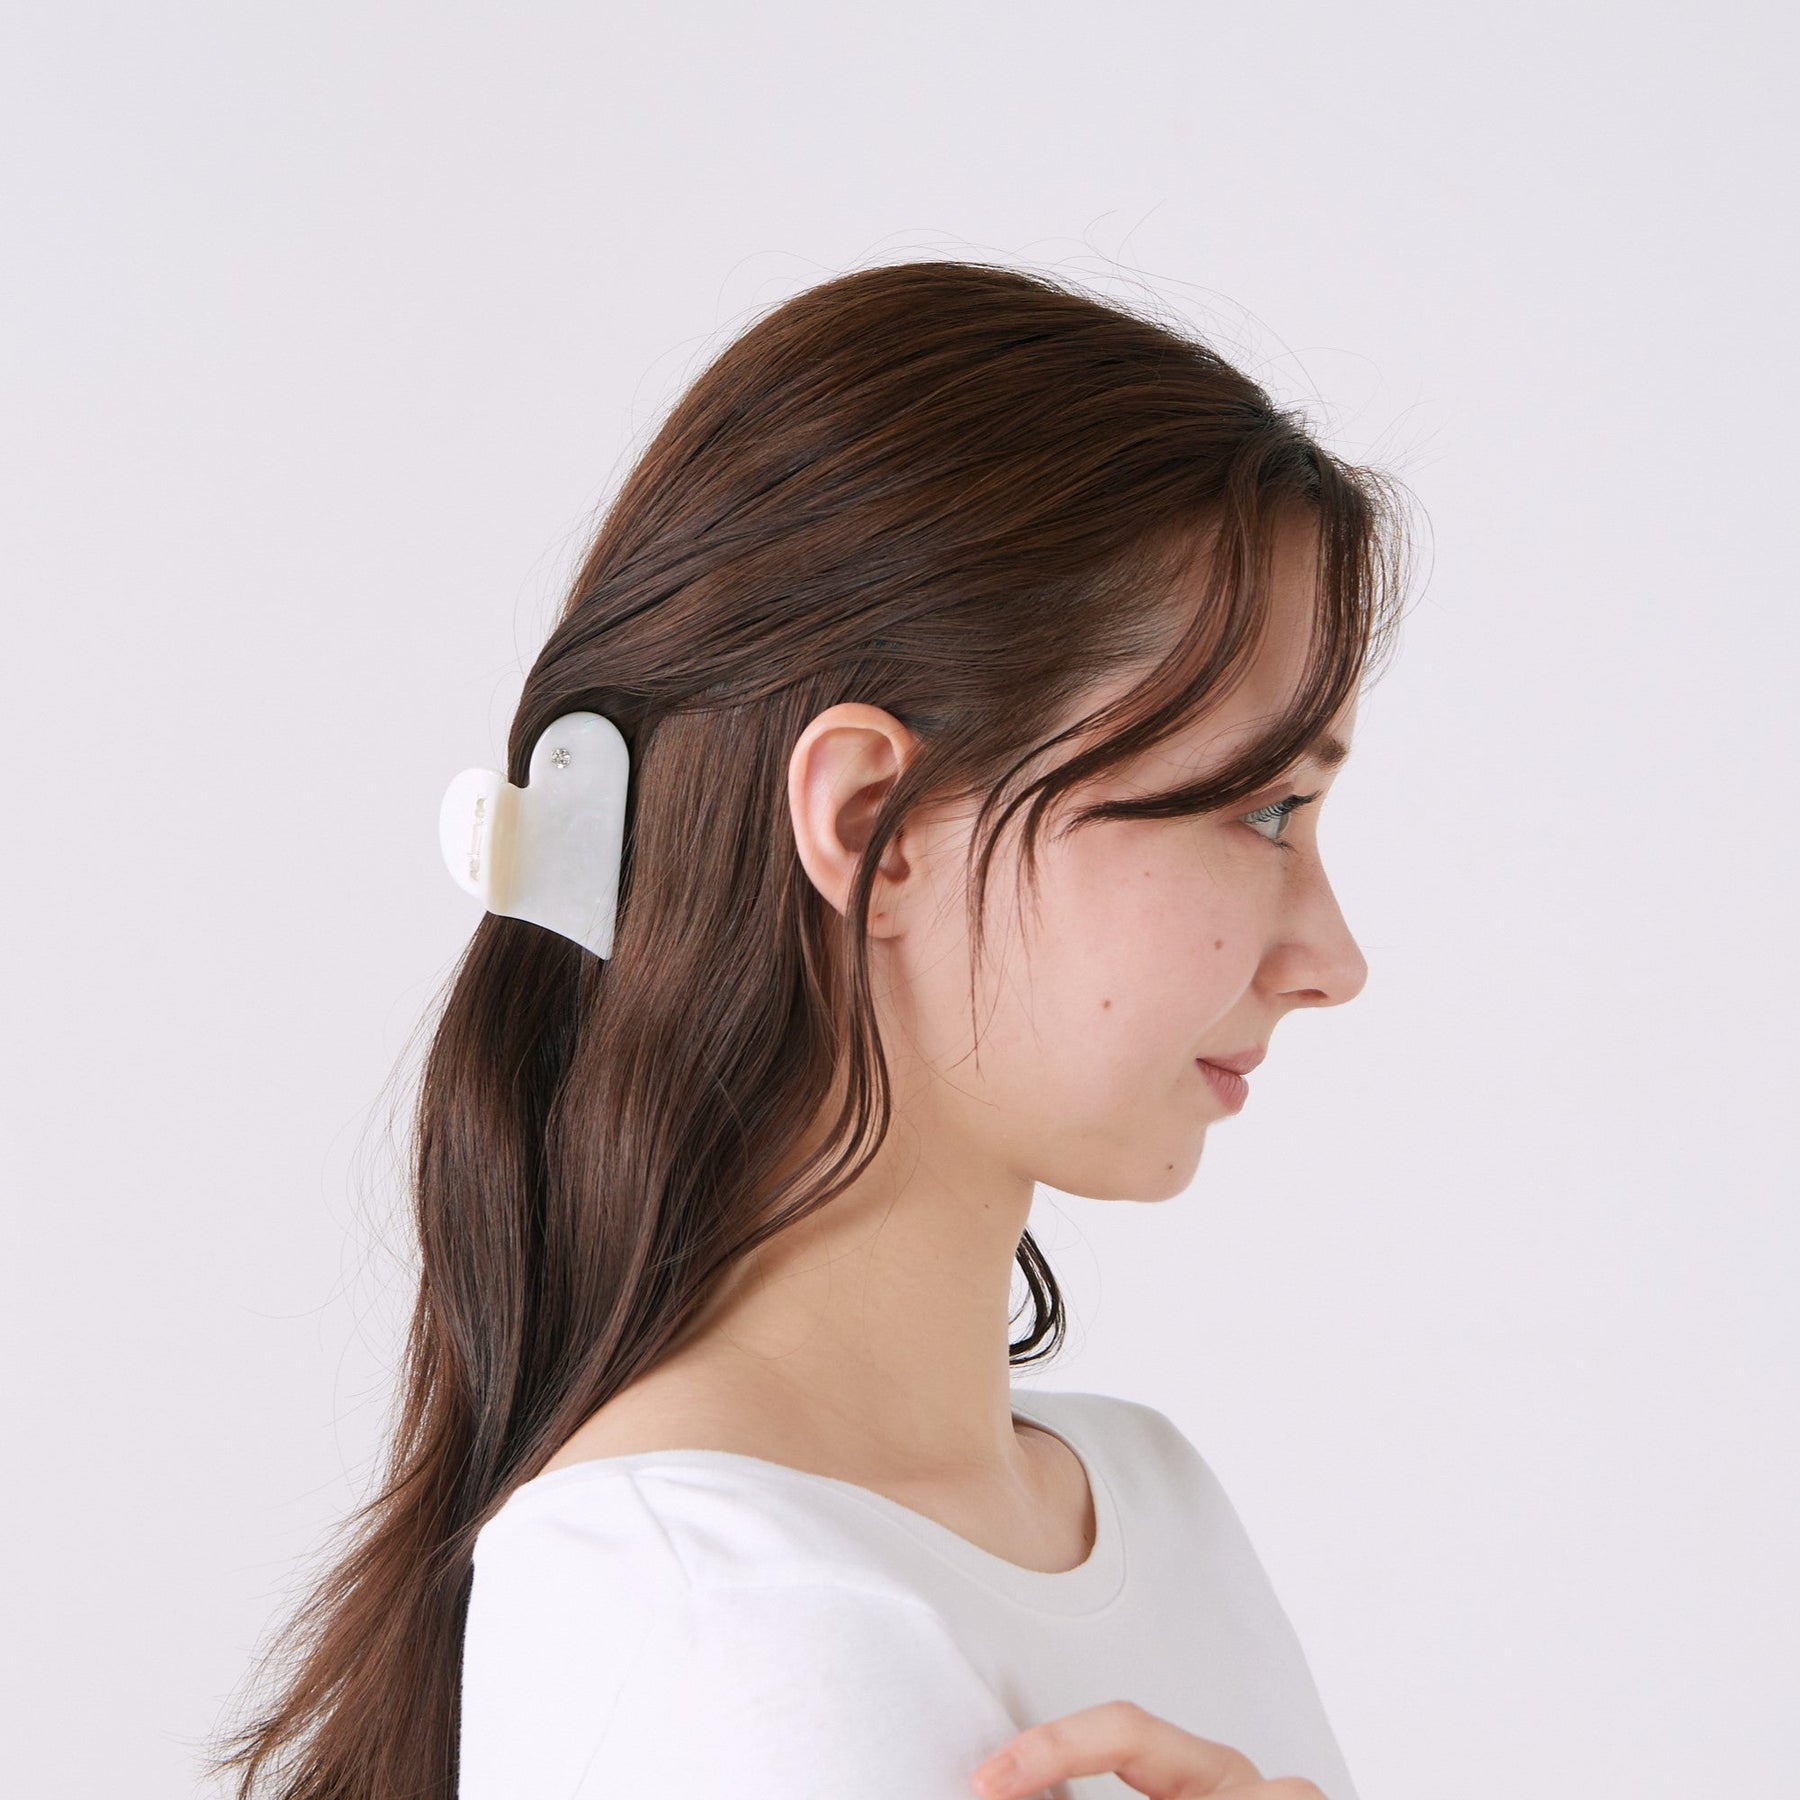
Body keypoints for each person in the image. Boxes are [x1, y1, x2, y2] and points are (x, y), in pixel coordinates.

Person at [210, 258, 1412, 1800]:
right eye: (1263, 810)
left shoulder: (1150, 1500)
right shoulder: (696, 1600)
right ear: (871, 827)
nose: (1332, 959)